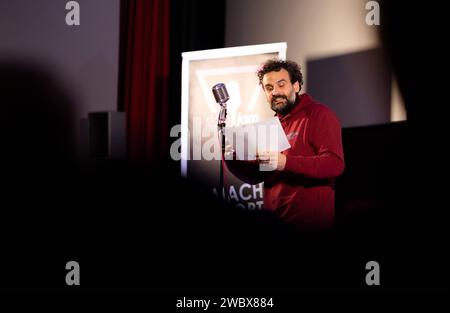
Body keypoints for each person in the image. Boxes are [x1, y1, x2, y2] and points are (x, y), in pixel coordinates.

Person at [225, 59, 345, 231]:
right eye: (269, 87)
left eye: (281, 84)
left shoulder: (319, 115)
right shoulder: (271, 125)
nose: (275, 92)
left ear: (296, 86)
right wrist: (229, 156)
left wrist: (285, 162)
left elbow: (335, 164)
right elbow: (255, 176)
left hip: (311, 227)